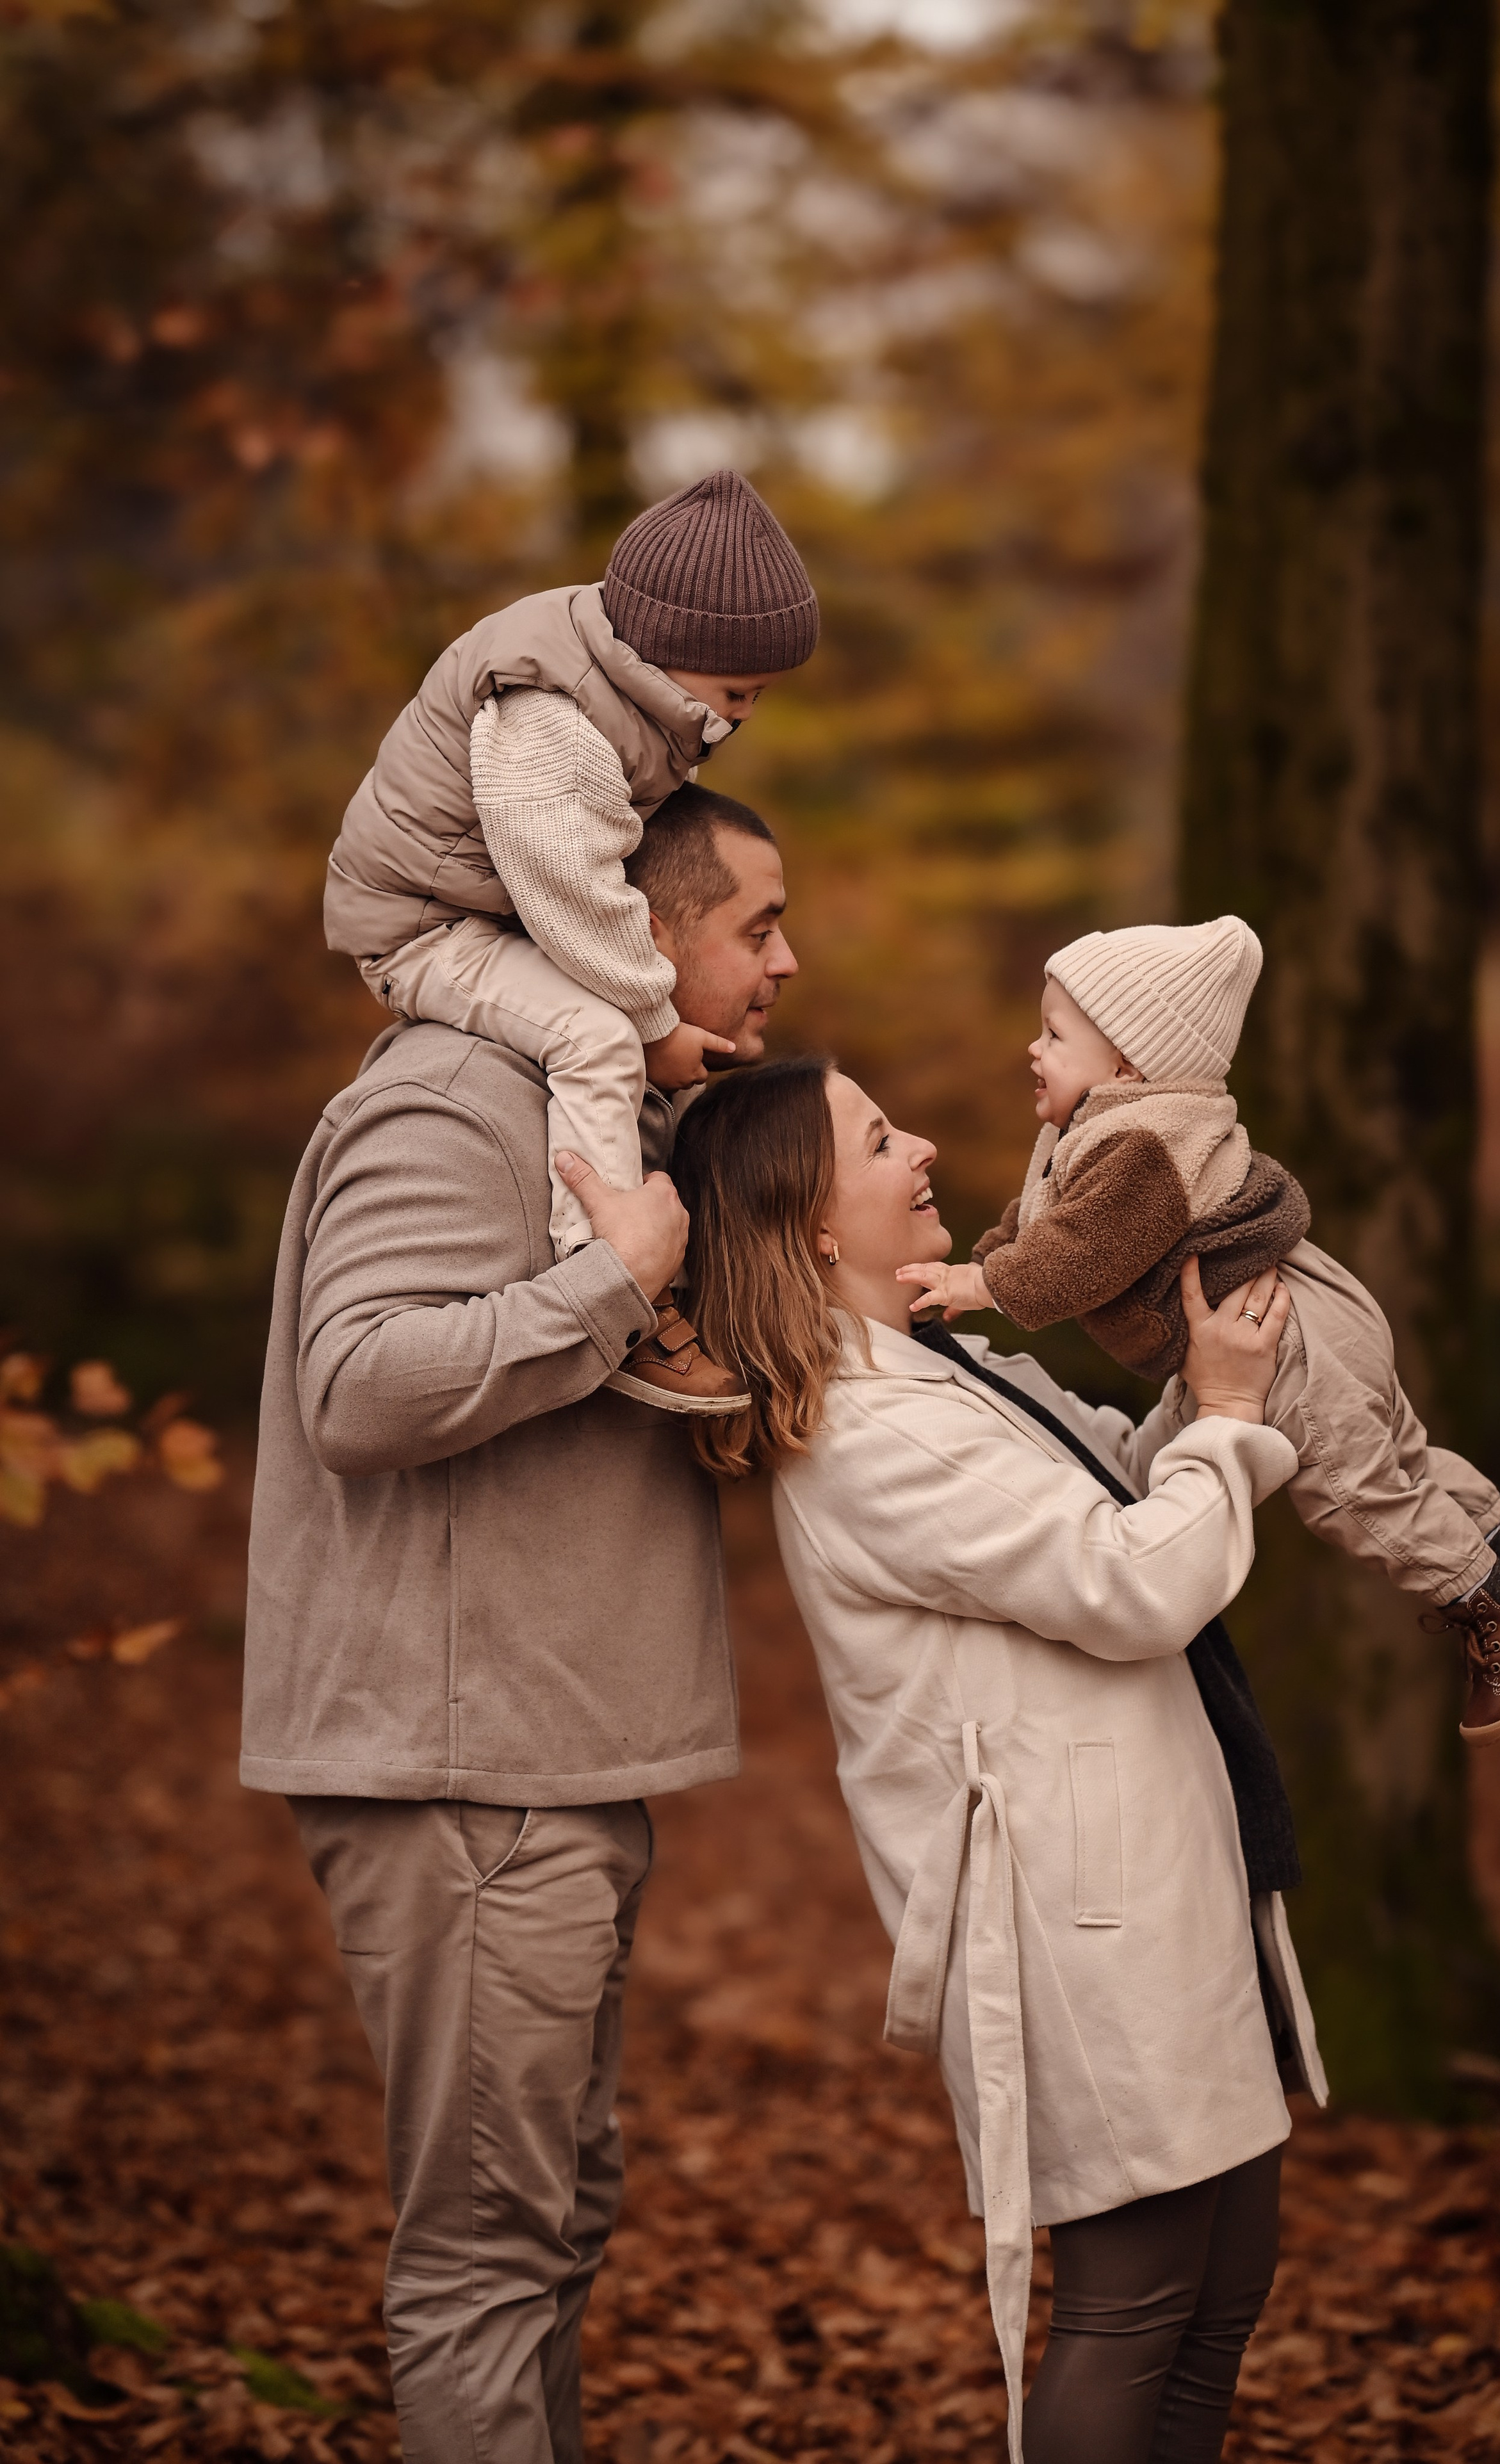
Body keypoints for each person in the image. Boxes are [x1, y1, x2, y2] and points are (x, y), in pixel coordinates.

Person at [240, 784, 796, 2464]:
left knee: (541, 2234)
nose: (786, 962)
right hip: (464, 1779)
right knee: (488, 2258)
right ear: (636, 929)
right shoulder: (458, 1099)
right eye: (756, 924)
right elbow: (361, 1381)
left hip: (534, 1769)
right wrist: (615, 1279)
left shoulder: (591, 1102)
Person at [670, 1054, 1328, 2464]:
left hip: (1160, 1873)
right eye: (874, 1136)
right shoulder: (866, 1431)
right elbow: (1139, 1580)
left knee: (1217, 2296)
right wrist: (1222, 1416)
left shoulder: (947, 1363)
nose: (919, 1148)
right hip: (1074, 1917)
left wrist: (1212, 1386)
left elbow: (1125, 1493)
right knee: (1133, 2302)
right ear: (812, 1227)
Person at [899, 918, 1500, 1746]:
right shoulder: (1111, 1129)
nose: (1032, 1048)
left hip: (1283, 1342)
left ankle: (1497, 1603)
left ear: (1127, 1061)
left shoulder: (1141, 1146)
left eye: (1054, 1034)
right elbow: (1038, 1224)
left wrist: (980, 1284)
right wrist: (977, 1267)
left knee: (1351, 1490)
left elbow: (1077, 1254)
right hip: (1312, 1304)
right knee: (1393, 1457)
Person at [323, 466, 819, 1413]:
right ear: (669, 649)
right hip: (424, 929)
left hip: (480, 907)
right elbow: (572, 891)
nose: (744, 715)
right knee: (593, 1036)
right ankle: (616, 1282)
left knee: (599, 1022)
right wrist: (653, 1020)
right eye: (739, 691)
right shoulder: (551, 719)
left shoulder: (621, 678)